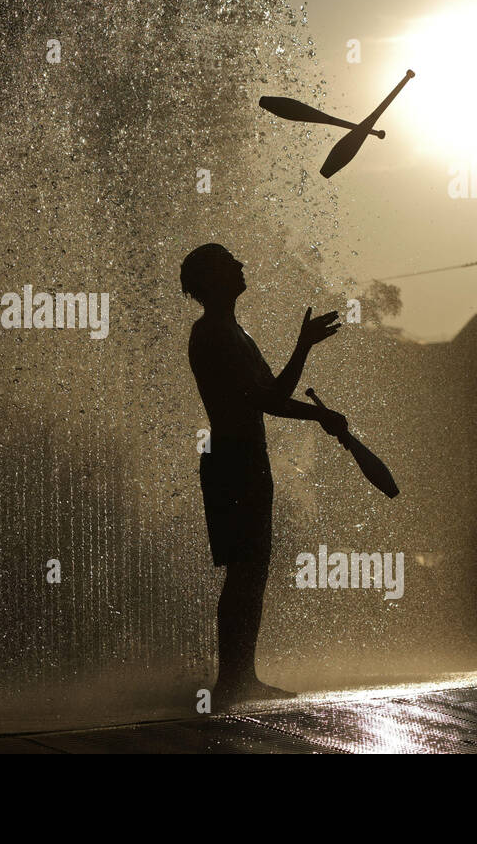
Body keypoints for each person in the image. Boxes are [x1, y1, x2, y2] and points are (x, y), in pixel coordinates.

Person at [181, 243, 346, 704]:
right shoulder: (213, 333)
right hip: (233, 460)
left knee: (251, 571)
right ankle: (233, 680)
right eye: (230, 262)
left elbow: (271, 393)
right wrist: (305, 357)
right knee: (244, 570)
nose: (241, 265)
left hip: (246, 458)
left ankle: (240, 676)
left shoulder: (235, 331)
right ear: (212, 279)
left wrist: (304, 356)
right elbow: (267, 400)